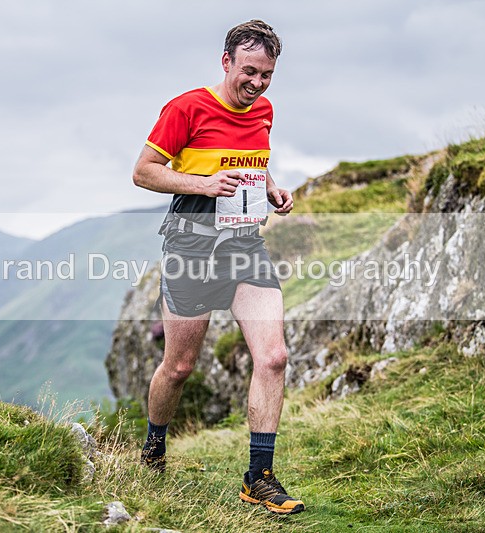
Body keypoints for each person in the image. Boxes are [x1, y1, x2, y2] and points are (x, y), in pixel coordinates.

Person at [132, 20, 304, 515]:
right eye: (249, 71)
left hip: (244, 246)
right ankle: (153, 450)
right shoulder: (186, 108)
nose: (257, 83)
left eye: (267, 75)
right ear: (226, 61)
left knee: (274, 357)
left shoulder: (264, 111)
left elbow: (253, 159)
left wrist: (271, 188)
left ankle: (259, 478)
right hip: (191, 248)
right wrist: (202, 184)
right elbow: (143, 172)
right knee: (179, 367)